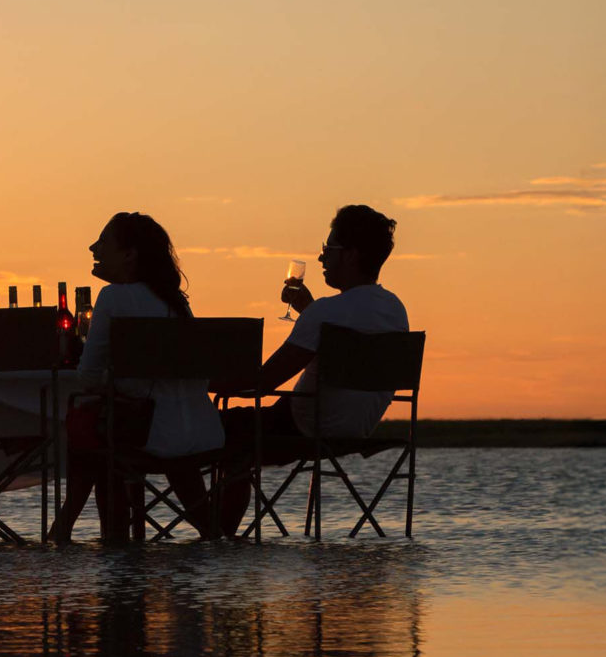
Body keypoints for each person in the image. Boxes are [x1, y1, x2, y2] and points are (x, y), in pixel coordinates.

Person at [211, 204, 410, 535]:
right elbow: (344, 327)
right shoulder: (394, 309)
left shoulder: (326, 313)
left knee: (222, 430)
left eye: (327, 249)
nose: (320, 259)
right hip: (357, 431)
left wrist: (202, 381)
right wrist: (310, 310)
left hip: (302, 427)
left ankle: (218, 536)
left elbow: (264, 381)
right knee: (240, 425)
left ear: (350, 255)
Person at [50, 212, 224, 543]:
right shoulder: (178, 304)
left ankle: (97, 534)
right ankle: (210, 531)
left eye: (102, 242)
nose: (93, 248)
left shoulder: (114, 297)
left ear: (129, 254)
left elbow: (87, 377)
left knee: (92, 425)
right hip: (202, 432)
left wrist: (114, 383)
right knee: (109, 427)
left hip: (146, 436)